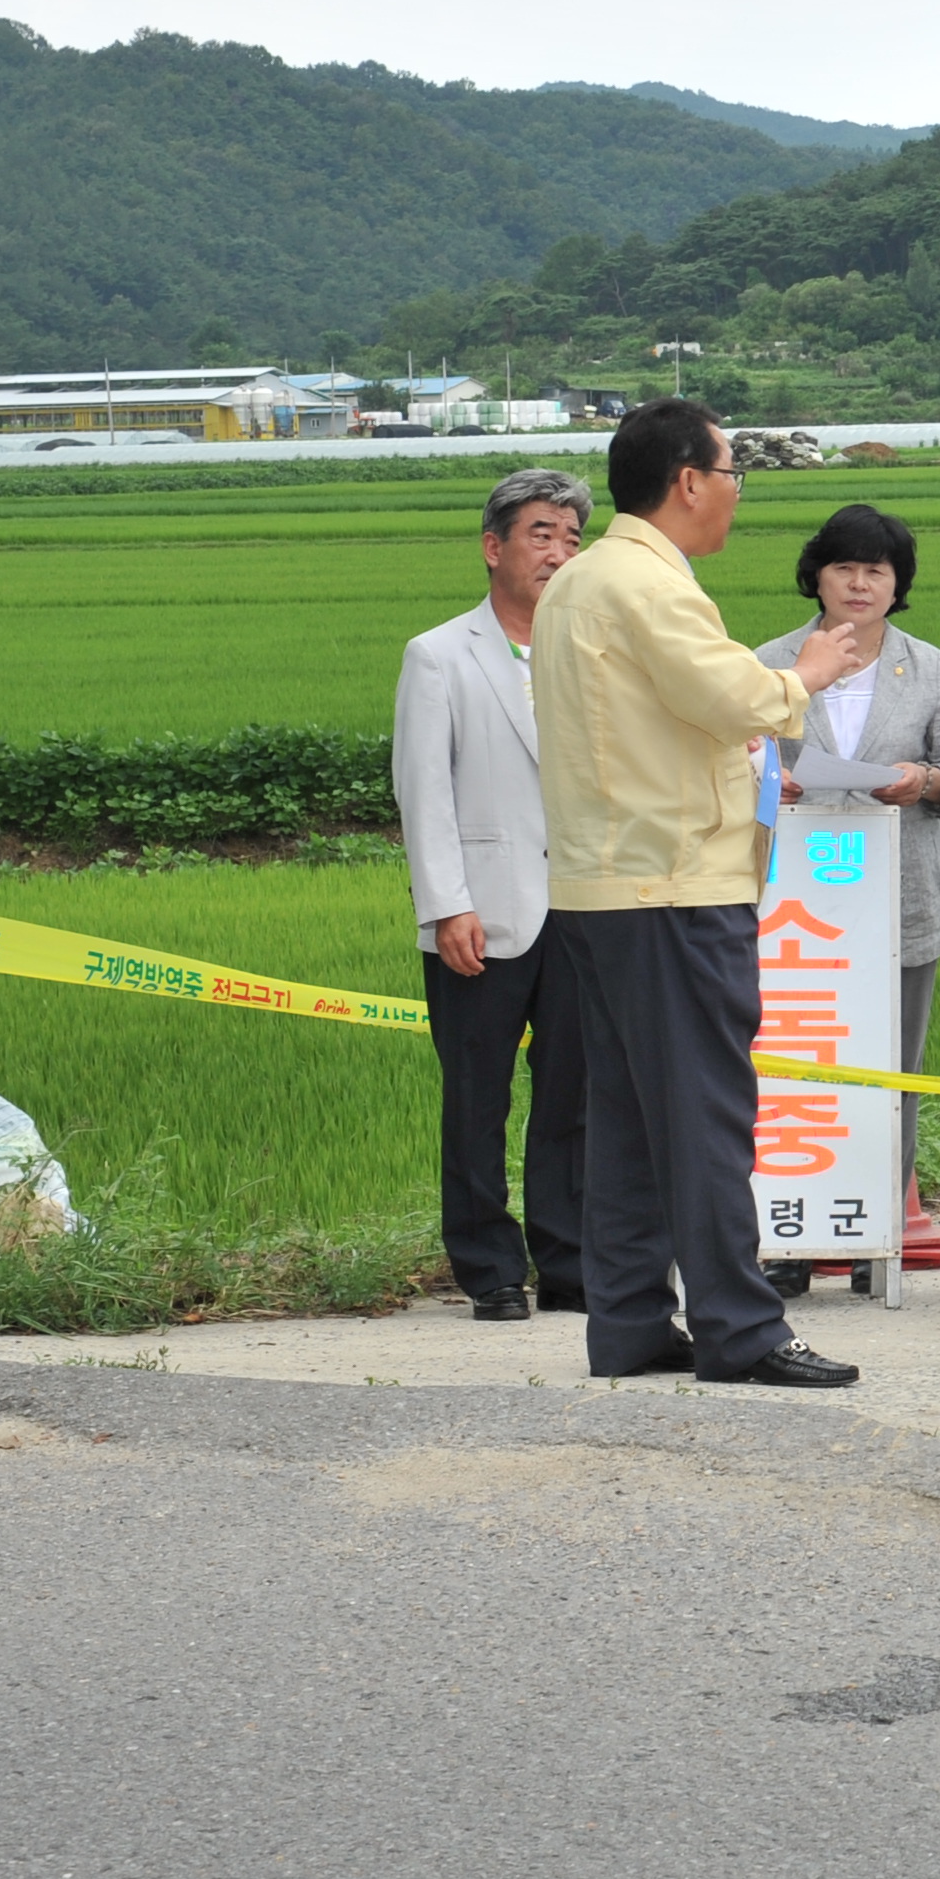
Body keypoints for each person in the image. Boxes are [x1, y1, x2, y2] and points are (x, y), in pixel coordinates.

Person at [532, 398, 873, 1387]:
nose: (733, 494)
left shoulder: (581, 579)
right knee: (708, 1114)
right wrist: (804, 670)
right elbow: (733, 697)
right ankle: (742, 1328)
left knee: (631, 1124)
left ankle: (633, 1321)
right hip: (673, 884)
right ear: (687, 481)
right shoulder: (648, 584)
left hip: (601, 887)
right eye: (730, 474)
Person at [393, 466, 593, 1322]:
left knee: (574, 1096)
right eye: (541, 534)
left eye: (572, 538)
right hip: (484, 910)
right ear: (494, 547)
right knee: (476, 1098)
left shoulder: (590, 654)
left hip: (584, 906)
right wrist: (446, 906)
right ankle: (488, 1269)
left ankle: (571, 1260)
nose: (558, 552)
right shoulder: (440, 654)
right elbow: (423, 791)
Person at [758, 503, 940, 1290]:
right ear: (817, 574)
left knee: (894, 1075)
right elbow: (736, 761)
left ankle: (874, 1234)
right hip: (796, 910)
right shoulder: (770, 661)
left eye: (876, 570)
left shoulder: (933, 667)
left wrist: (925, 780)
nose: (859, 582)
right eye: (844, 566)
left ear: (897, 585)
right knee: (791, 1066)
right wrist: (764, 785)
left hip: (901, 896)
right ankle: (789, 1239)